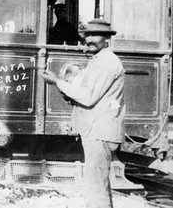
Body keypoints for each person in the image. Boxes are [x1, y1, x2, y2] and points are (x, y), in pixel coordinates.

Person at [40, 19, 125, 208]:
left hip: (99, 132)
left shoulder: (107, 63)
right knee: (97, 186)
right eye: (87, 35)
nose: (89, 39)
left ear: (107, 39)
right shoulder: (99, 60)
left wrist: (57, 82)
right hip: (96, 130)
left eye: (95, 35)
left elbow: (87, 97)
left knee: (95, 188)